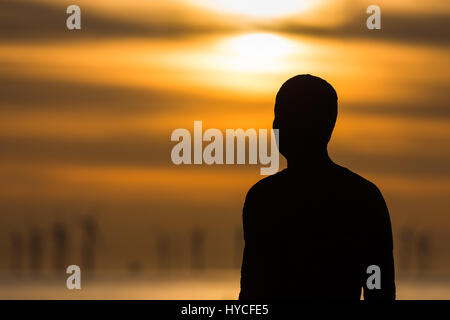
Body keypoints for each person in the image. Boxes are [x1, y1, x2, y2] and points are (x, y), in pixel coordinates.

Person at [239, 75, 395, 300]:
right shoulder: (364, 197)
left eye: (284, 116)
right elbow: (379, 287)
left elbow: (252, 291)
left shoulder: (264, 199)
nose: (275, 125)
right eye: (277, 116)